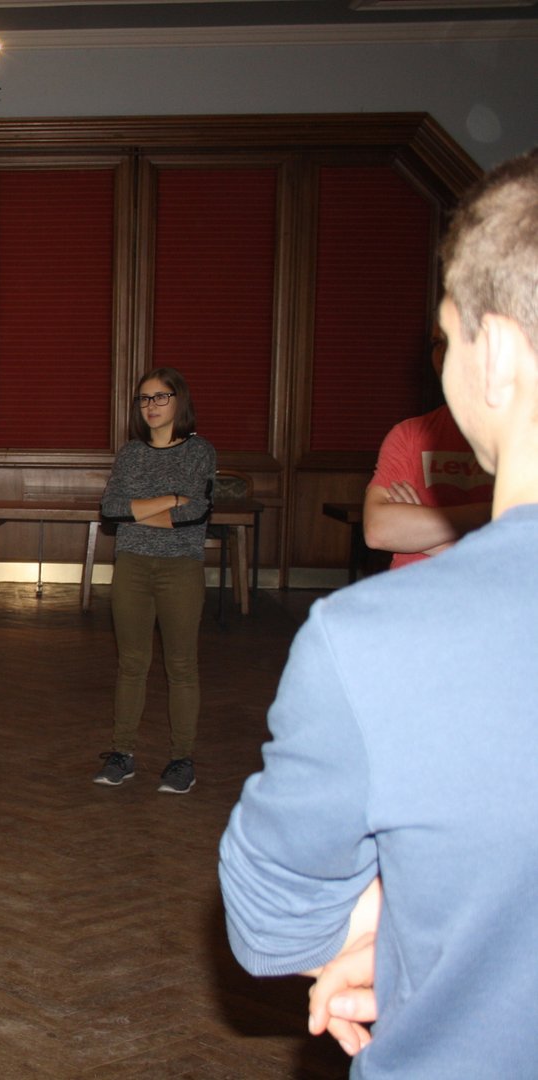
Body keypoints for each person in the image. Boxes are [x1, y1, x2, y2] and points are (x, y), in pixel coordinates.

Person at [218, 149, 538, 1077]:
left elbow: (273, 924)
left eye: (447, 334)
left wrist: (397, 918)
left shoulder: (374, 645)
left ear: (497, 354)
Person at [93, 368, 215, 794]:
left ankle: (182, 759)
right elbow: (110, 509)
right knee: (131, 663)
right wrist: (171, 500)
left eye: (161, 397)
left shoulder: (199, 452)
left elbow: (195, 513)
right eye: (145, 398)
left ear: (179, 401)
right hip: (132, 565)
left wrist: (139, 510)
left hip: (180, 566)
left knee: (181, 665)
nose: (152, 406)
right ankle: (122, 753)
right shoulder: (130, 453)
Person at [362, 331, 492, 568]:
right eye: (438, 343)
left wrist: (420, 524)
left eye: (458, 339)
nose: (443, 354)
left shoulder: (527, 438)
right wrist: (493, 514)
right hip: (410, 589)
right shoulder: (409, 434)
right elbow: (378, 530)